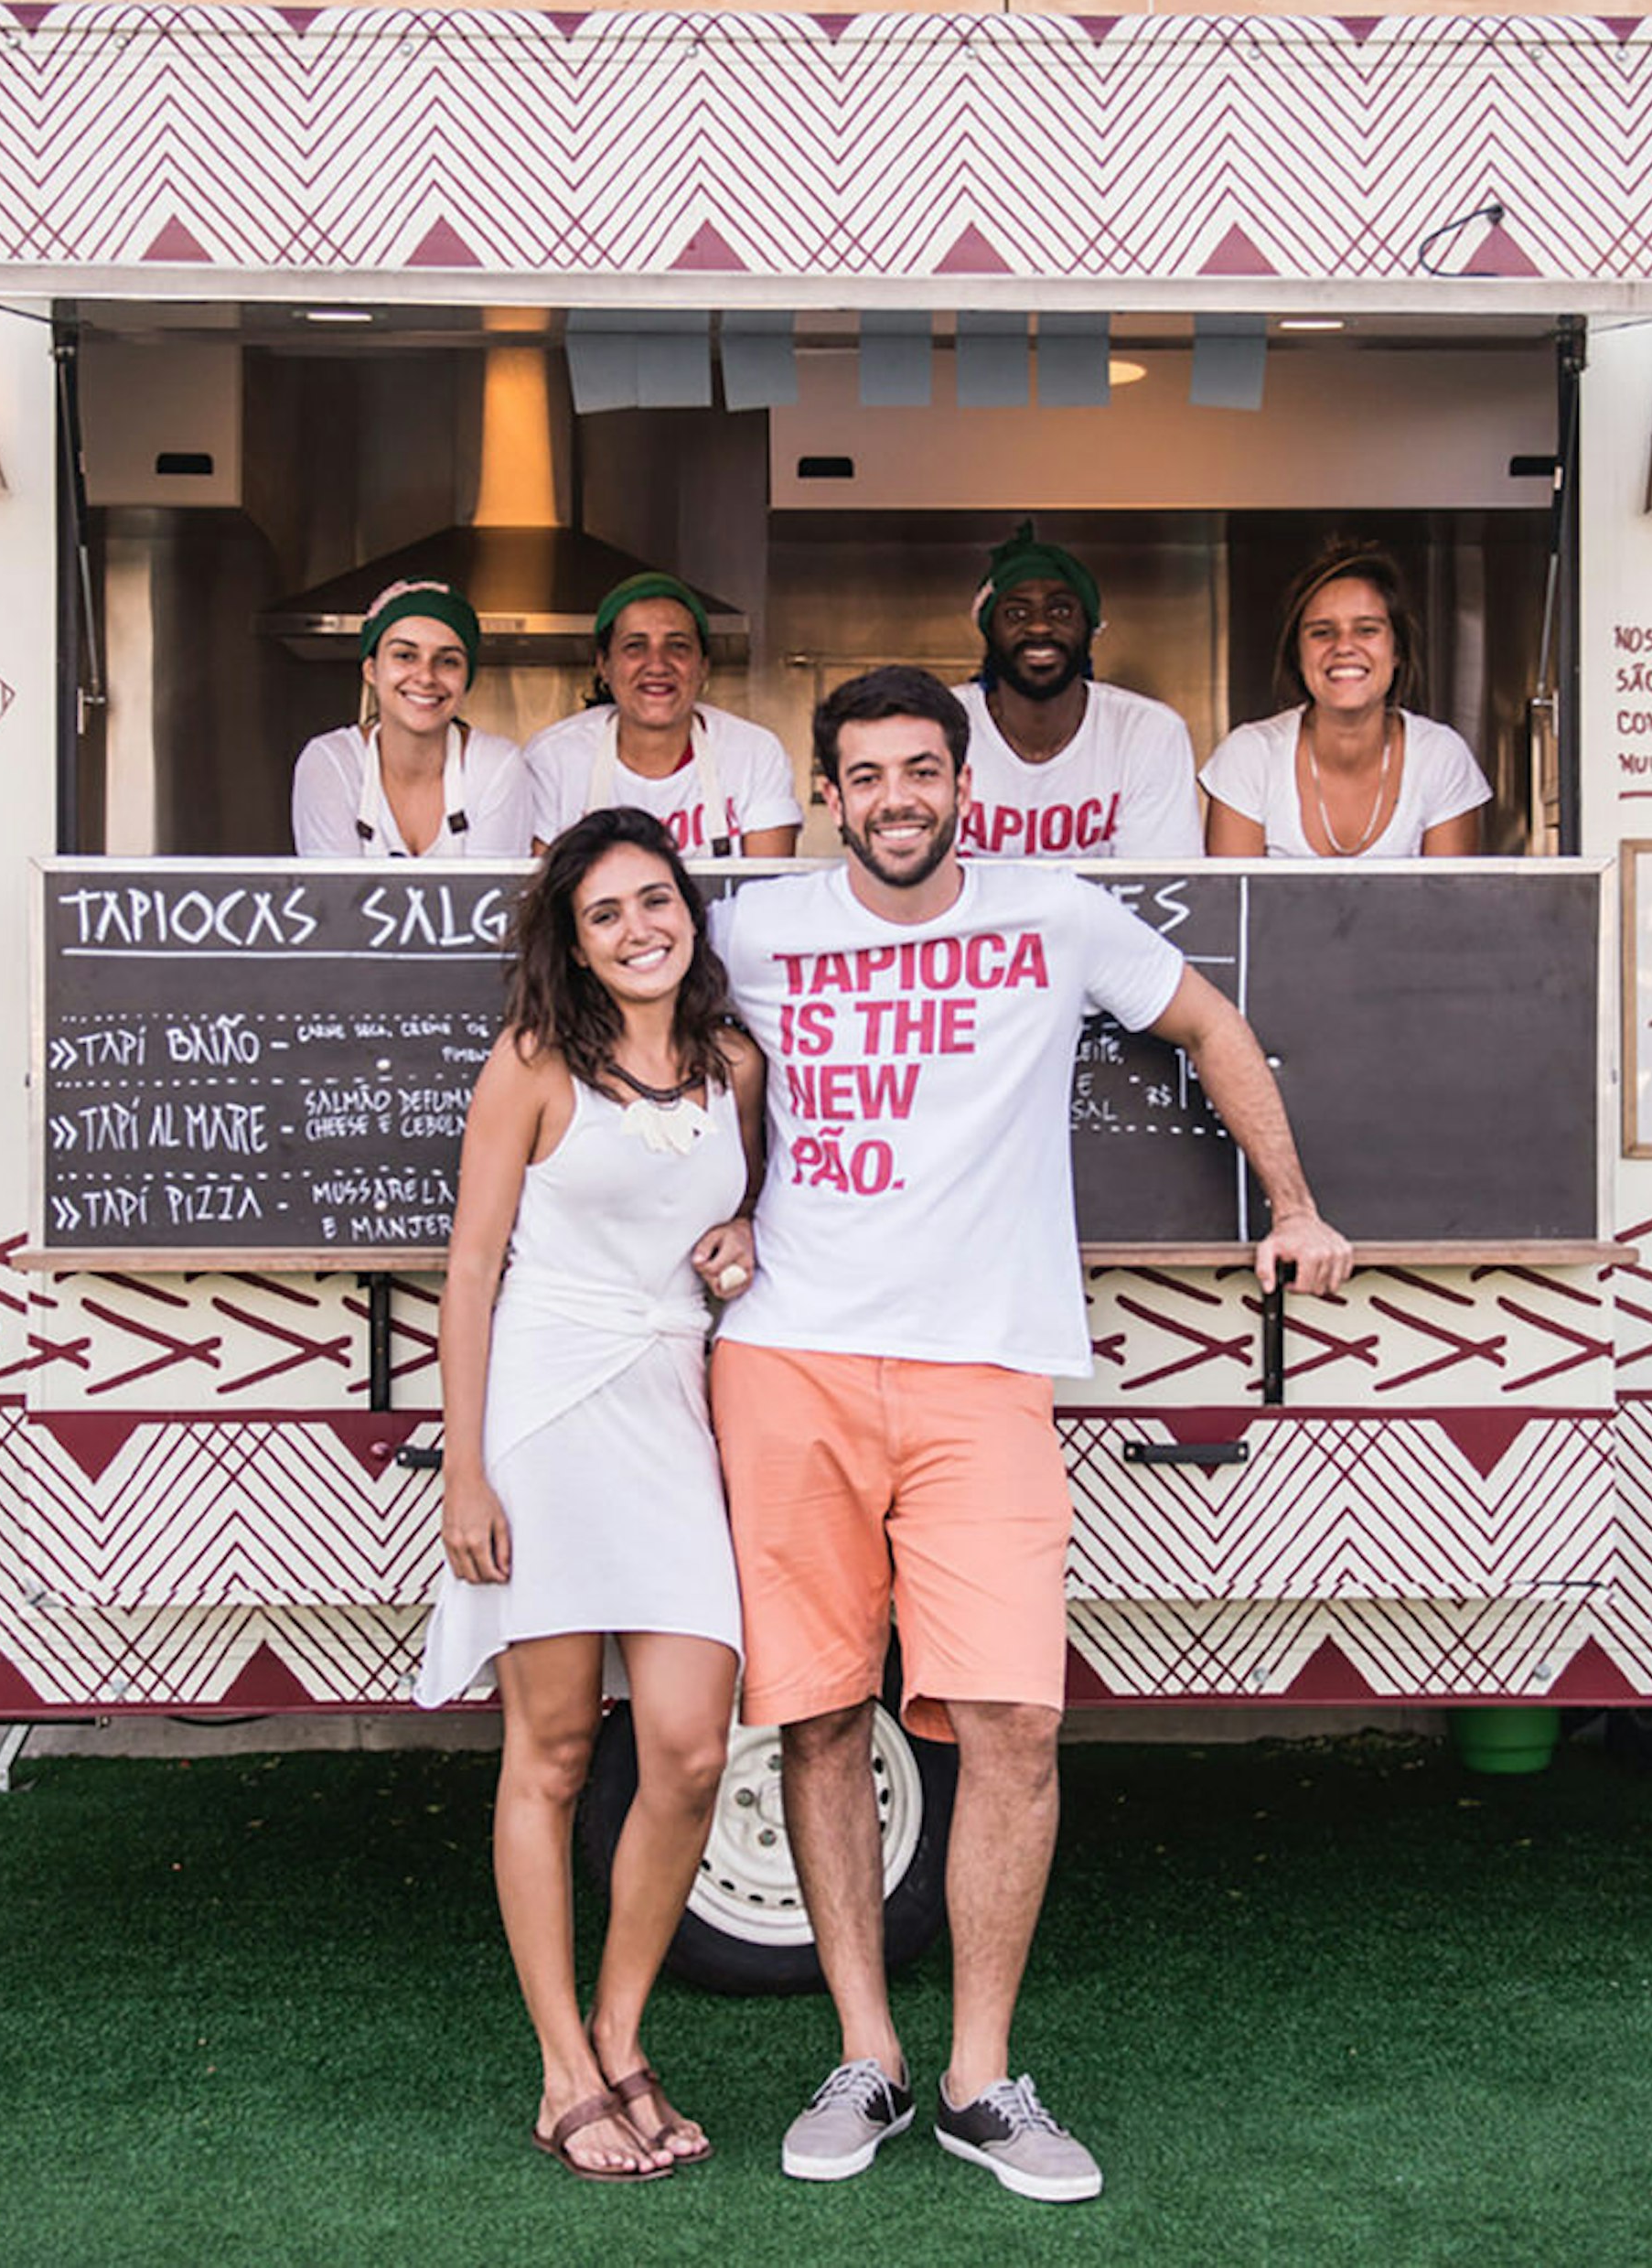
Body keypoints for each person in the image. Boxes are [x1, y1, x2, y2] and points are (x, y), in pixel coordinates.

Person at [698, 667, 1352, 2204]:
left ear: (962, 783)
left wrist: (1299, 1204)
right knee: (813, 1716)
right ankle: (868, 2051)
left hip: (986, 1371)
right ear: (831, 791)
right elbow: (659, 1065)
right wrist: (706, 1212)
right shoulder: (753, 925)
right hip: (787, 1358)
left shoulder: (1056, 915)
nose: (899, 799)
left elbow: (1211, 1023)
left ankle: (982, 2077)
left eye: (923, 769)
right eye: (868, 776)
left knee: (1016, 1725)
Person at [417, 807, 767, 2181]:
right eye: (606, 912)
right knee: (553, 1753)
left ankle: (624, 2033)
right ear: (572, 941)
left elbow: (761, 1208)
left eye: (656, 899)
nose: (639, 928)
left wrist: (747, 1232)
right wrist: (463, 1464)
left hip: (675, 1414)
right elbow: (469, 1269)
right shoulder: (531, 1066)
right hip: (549, 1416)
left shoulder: (734, 1061)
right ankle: (565, 2070)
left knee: (686, 1743)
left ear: (690, 910)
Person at [1202, 540, 1491, 858]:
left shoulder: (1441, 757)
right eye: (1322, 632)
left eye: (1367, 630)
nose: (1343, 647)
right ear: (1298, 655)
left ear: (1396, 651)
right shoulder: (1248, 757)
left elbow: (1451, 906)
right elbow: (1234, 905)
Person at [949, 521, 1204, 860]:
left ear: (1089, 628)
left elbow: (1158, 893)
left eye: (1061, 610)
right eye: (1016, 613)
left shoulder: (1147, 732)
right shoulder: (936, 724)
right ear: (989, 631)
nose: (1039, 626)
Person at [522, 572, 802, 858]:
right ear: (604, 665)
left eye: (677, 646)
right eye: (635, 646)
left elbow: (770, 891)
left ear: (703, 666)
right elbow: (539, 894)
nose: (657, 665)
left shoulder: (755, 754)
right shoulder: (553, 758)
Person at [290, 578, 534, 857]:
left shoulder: (497, 766)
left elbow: (492, 899)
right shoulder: (330, 762)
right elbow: (334, 897)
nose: (426, 677)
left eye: (448, 661)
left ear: (467, 679)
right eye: (405, 655)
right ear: (371, 670)